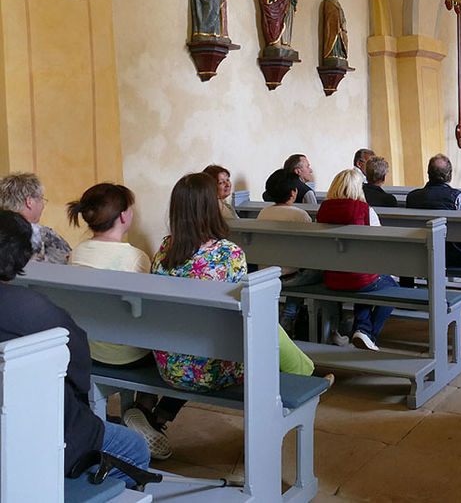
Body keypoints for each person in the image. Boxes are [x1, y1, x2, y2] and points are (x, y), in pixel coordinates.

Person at [0, 210, 150, 483]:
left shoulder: (77, 256)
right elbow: (78, 361)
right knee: (136, 449)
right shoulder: (30, 308)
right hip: (31, 433)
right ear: (21, 255)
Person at [152, 173, 326, 390]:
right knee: (261, 317)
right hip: (212, 367)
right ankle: (305, 375)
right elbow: (242, 313)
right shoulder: (228, 253)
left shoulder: (164, 250)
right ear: (211, 207)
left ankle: (305, 371)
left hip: (170, 363)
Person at [67, 182, 181, 460]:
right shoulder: (135, 258)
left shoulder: (76, 254)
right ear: (123, 216)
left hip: (89, 350)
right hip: (128, 356)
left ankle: (135, 418)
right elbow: (152, 312)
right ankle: (142, 409)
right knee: (174, 349)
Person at [316, 169, 395, 351]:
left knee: (366, 279)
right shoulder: (365, 210)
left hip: (332, 276)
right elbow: (381, 244)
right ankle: (367, 333)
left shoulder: (323, 210)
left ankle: (361, 329)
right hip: (360, 278)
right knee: (391, 286)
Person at [406, 154, 461, 317]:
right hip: (457, 255)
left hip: (422, 254)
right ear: (449, 176)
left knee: (431, 250)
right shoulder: (457, 198)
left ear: (428, 173)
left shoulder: (412, 197)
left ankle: (433, 296)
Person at [257, 169, 321, 336]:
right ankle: (289, 315)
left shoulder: (263, 213)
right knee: (317, 272)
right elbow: (310, 249)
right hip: (291, 277)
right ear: (293, 193)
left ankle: (285, 317)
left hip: (265, 274)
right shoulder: (300, 215)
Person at [0, 172, 70, 263]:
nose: (43, 206)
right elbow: (68, 262)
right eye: (41, 199)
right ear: (29, 201)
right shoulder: (44, 236)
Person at [320, 0, 348, 67]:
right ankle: (332, 55)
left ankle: (340, 55)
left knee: (342, 42)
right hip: (333, 29)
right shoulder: (328, 3)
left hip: (341, 29)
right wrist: (338, 22)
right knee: (334, 42)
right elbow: (330, 16)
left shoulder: (339, 5)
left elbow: (342, 16)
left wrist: (343, 23)